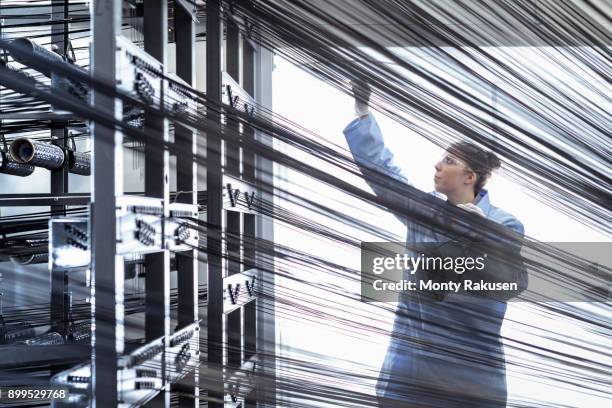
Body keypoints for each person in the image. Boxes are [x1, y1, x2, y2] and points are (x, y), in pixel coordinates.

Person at [343, 83, 525, 407]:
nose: (437, 166)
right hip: (410, 376)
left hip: (469, 382)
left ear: (470, 176)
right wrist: (362, 113)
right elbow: (385, 175)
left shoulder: (504, 224)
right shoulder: (424, 213)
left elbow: (509, 282)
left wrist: (477, 233)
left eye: (448, 160)